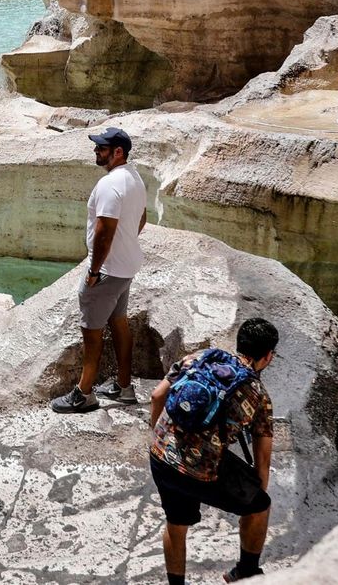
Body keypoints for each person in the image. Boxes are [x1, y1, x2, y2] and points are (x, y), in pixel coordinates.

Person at [150, 319, 279, 585]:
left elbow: (156, 395)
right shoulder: (259, 395)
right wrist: (254, 499)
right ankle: (245, 571)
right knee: (260, 507)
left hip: (161, 456)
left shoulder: (203, 357)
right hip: (201, 470)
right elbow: (262, 460)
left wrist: (159, 437)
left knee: (176, 522)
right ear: (268, 356)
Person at [52, 126, 146, 413]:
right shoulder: (135, 178)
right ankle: (124, 386)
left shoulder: (109, 185)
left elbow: (104, 233)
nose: (96, 151)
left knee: (91, 331)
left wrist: (94, 270)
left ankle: (84, 393)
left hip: (106, 272)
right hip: (126, 267)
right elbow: (142, 218)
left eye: (101, 148)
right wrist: (126, 245)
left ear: (118, 152)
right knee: (118, 322)